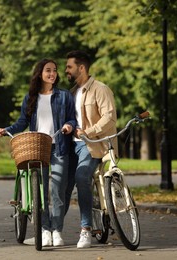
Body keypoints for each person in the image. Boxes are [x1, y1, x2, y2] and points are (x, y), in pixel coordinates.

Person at [0, 58, 76, 247]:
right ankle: (45, 230)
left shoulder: (64, 96)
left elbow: (73, 119)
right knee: (40, 193)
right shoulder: (31, 97)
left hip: (59, 147)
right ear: (40, 73)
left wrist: (69, 125)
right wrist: (6, 129)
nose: (52, 73)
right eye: (48, 70)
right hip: (39, 148)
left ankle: (57, 231)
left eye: (55, 70)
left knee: (57, 191)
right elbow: (22, 122)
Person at [64, 50, 118, 248]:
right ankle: (50, 229)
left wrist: (88, 132)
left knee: (81, 176)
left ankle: (85, 229)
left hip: (91, 145)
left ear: (81, 68)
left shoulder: (100, 89)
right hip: (71, 146)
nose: (66, 70)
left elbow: (109, 118)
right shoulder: (71, 93)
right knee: (59, 183)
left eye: (69, 66)